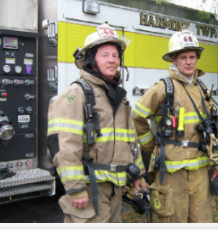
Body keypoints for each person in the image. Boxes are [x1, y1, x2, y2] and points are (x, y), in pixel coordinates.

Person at [47, 22, 147, 223]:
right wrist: (75, 188)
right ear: (92, 60)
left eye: (115, 56)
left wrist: (138, 174)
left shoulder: (119, 98)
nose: (112, 60)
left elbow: (131, 141)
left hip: (114, 189)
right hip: (88, 190)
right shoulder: (77, 93)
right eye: (105, 55)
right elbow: (63, 143)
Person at [133, 29, 218, 223]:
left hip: (200, 172)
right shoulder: (164, 88)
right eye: (183, 57)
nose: (188, 61)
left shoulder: (203, 90)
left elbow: (214, 129)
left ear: (197, 59)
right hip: (171, 172)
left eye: (192, 57)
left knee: (201, 220)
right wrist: (151, 147)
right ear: (175, 60)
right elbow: (138, 117)